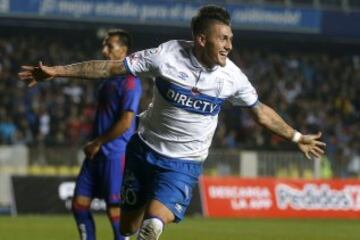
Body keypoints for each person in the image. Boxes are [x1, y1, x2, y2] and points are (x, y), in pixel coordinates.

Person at [19, 5, 326, 240]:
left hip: (183, 164)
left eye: (231, 38)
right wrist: (57, 71)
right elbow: (109, 68)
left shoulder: (232, 77)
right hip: (142, 150)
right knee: (128, 225)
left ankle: (153, 226)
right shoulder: (166, 56)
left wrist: (297, 138)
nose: (230, 45)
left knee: (153, 223)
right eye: (223, 38)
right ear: (201, 39)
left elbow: (260, 111)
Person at [69, 29, 141, 240]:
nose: (104, 50)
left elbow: (126, 122)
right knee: (79, 205)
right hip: (96, 153)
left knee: (116, 212)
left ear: (124, 50)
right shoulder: (107, 79)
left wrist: (98, 141)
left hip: (115, 154)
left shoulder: (130, 81)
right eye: (104, 45)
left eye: (109, 46)